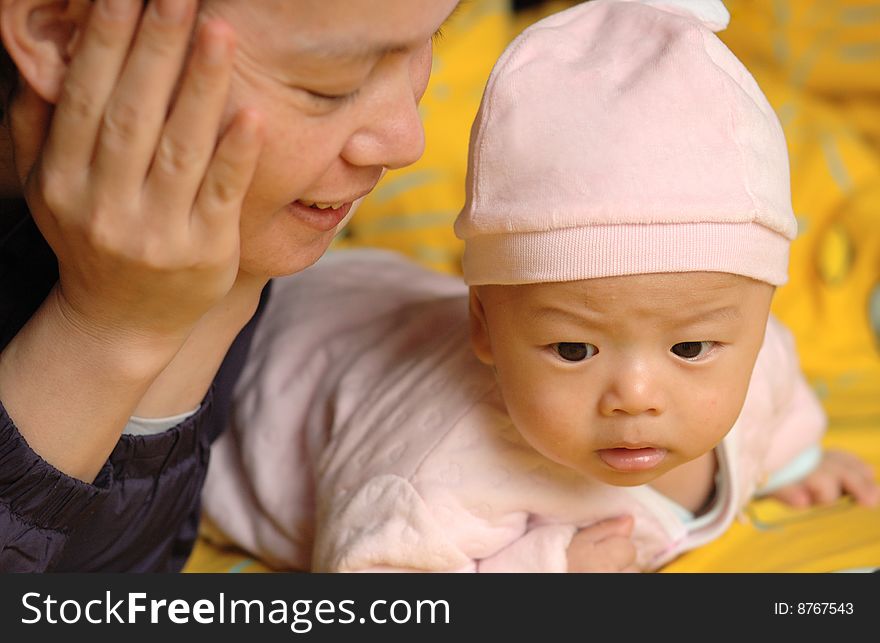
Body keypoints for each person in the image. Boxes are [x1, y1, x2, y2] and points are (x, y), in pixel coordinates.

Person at [202, 0, 880, 572]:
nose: (635, 396)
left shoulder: (756, 358)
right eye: (575, 349)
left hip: (379, 293)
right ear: (484, 326)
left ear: (759, 321)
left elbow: (776, 397)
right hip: (276, 339)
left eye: (692, 348)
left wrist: (798, 461)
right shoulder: (433, 478)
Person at [0, 0, 462, 572]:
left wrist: (214, 302)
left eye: (428, 36)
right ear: (60, 36)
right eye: (331, 83)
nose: (404, 141)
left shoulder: (211, 227)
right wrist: (105, 334)